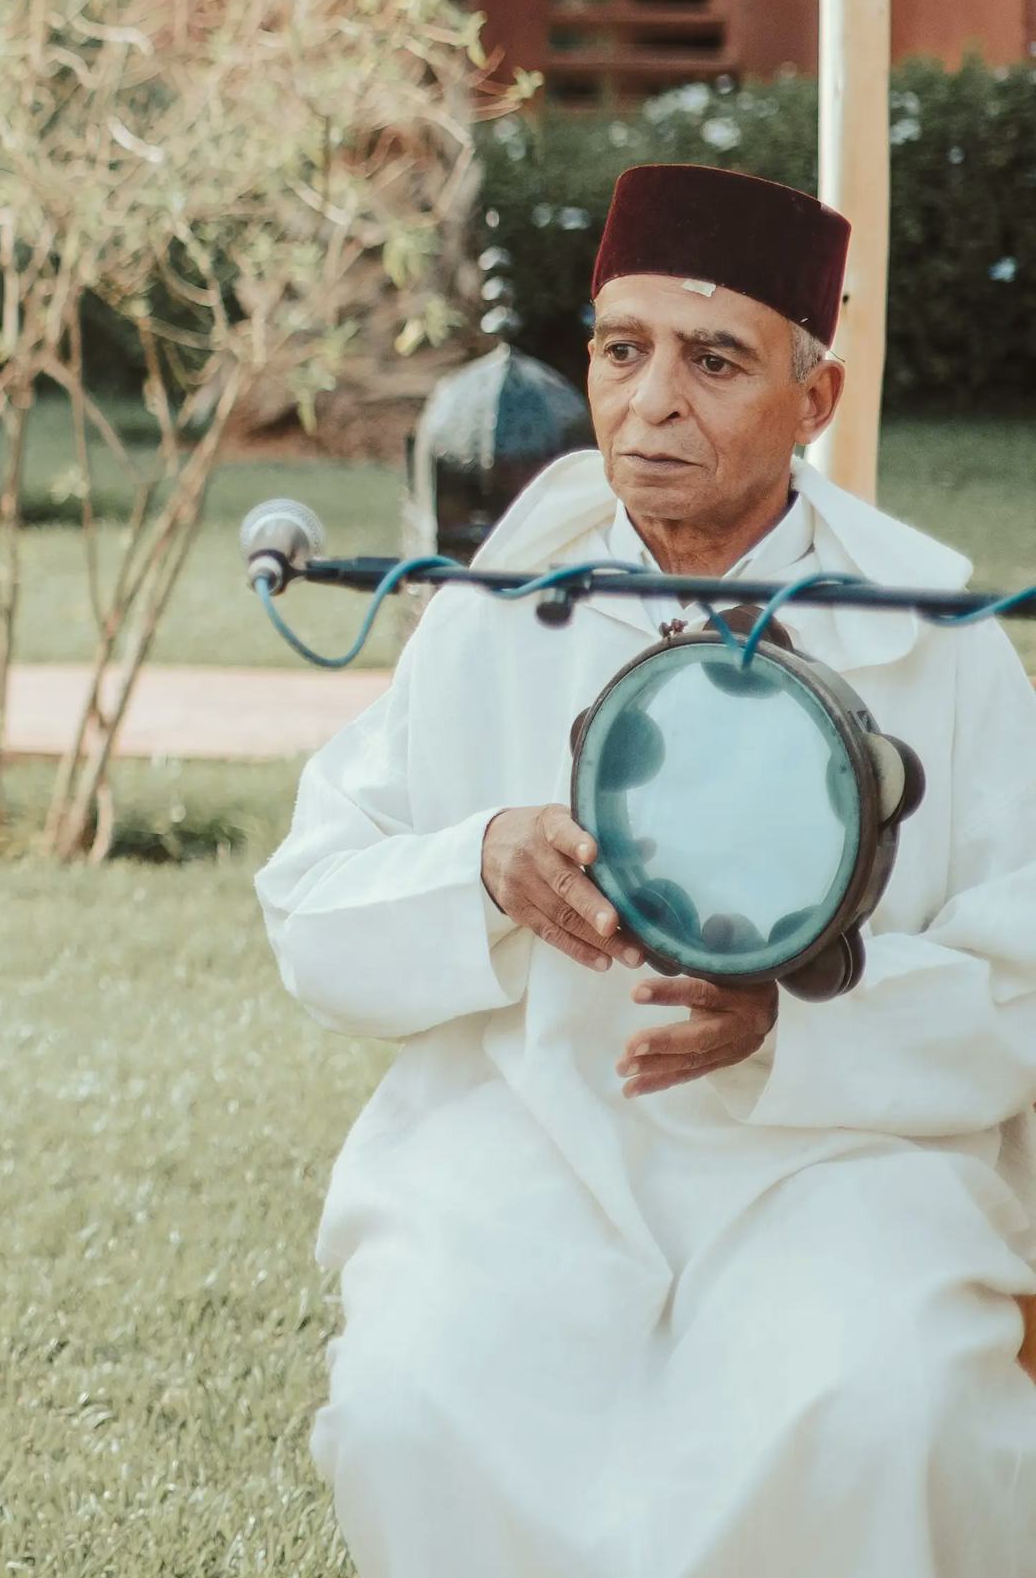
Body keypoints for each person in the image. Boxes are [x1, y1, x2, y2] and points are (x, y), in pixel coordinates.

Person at [258, 162, 1036, 1575]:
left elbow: (1026, 975)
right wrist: (480, 868)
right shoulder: (496, 612)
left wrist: (804, 1015)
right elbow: (311, 907)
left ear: (817, 400)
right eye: (622, 351)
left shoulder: (938, 643)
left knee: (887, 1403)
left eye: (713, 359)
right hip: (537, 1147)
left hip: (843, 1164)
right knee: (415, 1407)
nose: (651, 401)